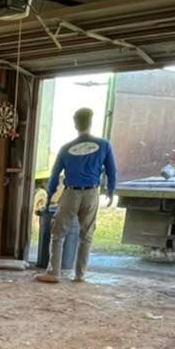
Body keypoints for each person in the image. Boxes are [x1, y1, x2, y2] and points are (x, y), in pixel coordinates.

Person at [37, 107, 117, 284]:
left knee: (58, 233)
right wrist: (111, 190)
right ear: (91, 122)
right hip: (91, 193)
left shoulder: (66, 148)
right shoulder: (104, 145)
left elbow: (55, 174)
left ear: (75, 124)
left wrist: (50, 196)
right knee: (86, 235)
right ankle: (80, 275)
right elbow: (112, 171)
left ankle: (53, 273)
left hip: (71, 193)